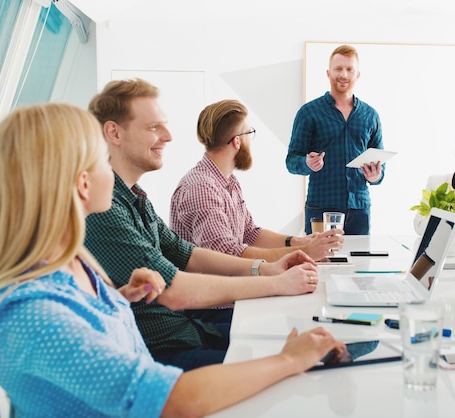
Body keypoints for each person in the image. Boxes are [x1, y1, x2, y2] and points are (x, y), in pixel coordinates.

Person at [0, 103, 345, 417]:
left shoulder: (72, 262)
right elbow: (169, 400)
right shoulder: (31, 313)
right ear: (83, 184)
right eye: (102, 159)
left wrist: (120, 297)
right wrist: (288, 359)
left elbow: (88, 326)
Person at [85, 78, 321, 371]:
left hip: (185, 331)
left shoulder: (136, 197)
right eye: (153, 127)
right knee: (297, 366)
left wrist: (268, 267)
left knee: (306, 346)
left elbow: (186, 252)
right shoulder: (104, 208)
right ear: (114, 133)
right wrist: (275, 282)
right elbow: (173, 289)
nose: (169, 136)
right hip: (161, 353)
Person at [169, 99, 344, 262]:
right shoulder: (201, 188)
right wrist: (305, 252)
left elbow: (250, 233)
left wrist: (299, 242)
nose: (250, 141)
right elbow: (227, 254)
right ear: (237, 141)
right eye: (249, 132)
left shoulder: (228, 182)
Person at [286, 44, 385, 235]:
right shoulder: (309, 113)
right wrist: (306, 163)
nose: (344, 75)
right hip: (321, 208)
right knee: (319, 264)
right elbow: (291, 161)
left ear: (357, 75)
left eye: (350, 69)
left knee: (360, 264)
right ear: (328, 73)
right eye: (338, 69)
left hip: (359, 209)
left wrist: (375, 177)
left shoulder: (370, 115)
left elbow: (380, 166)